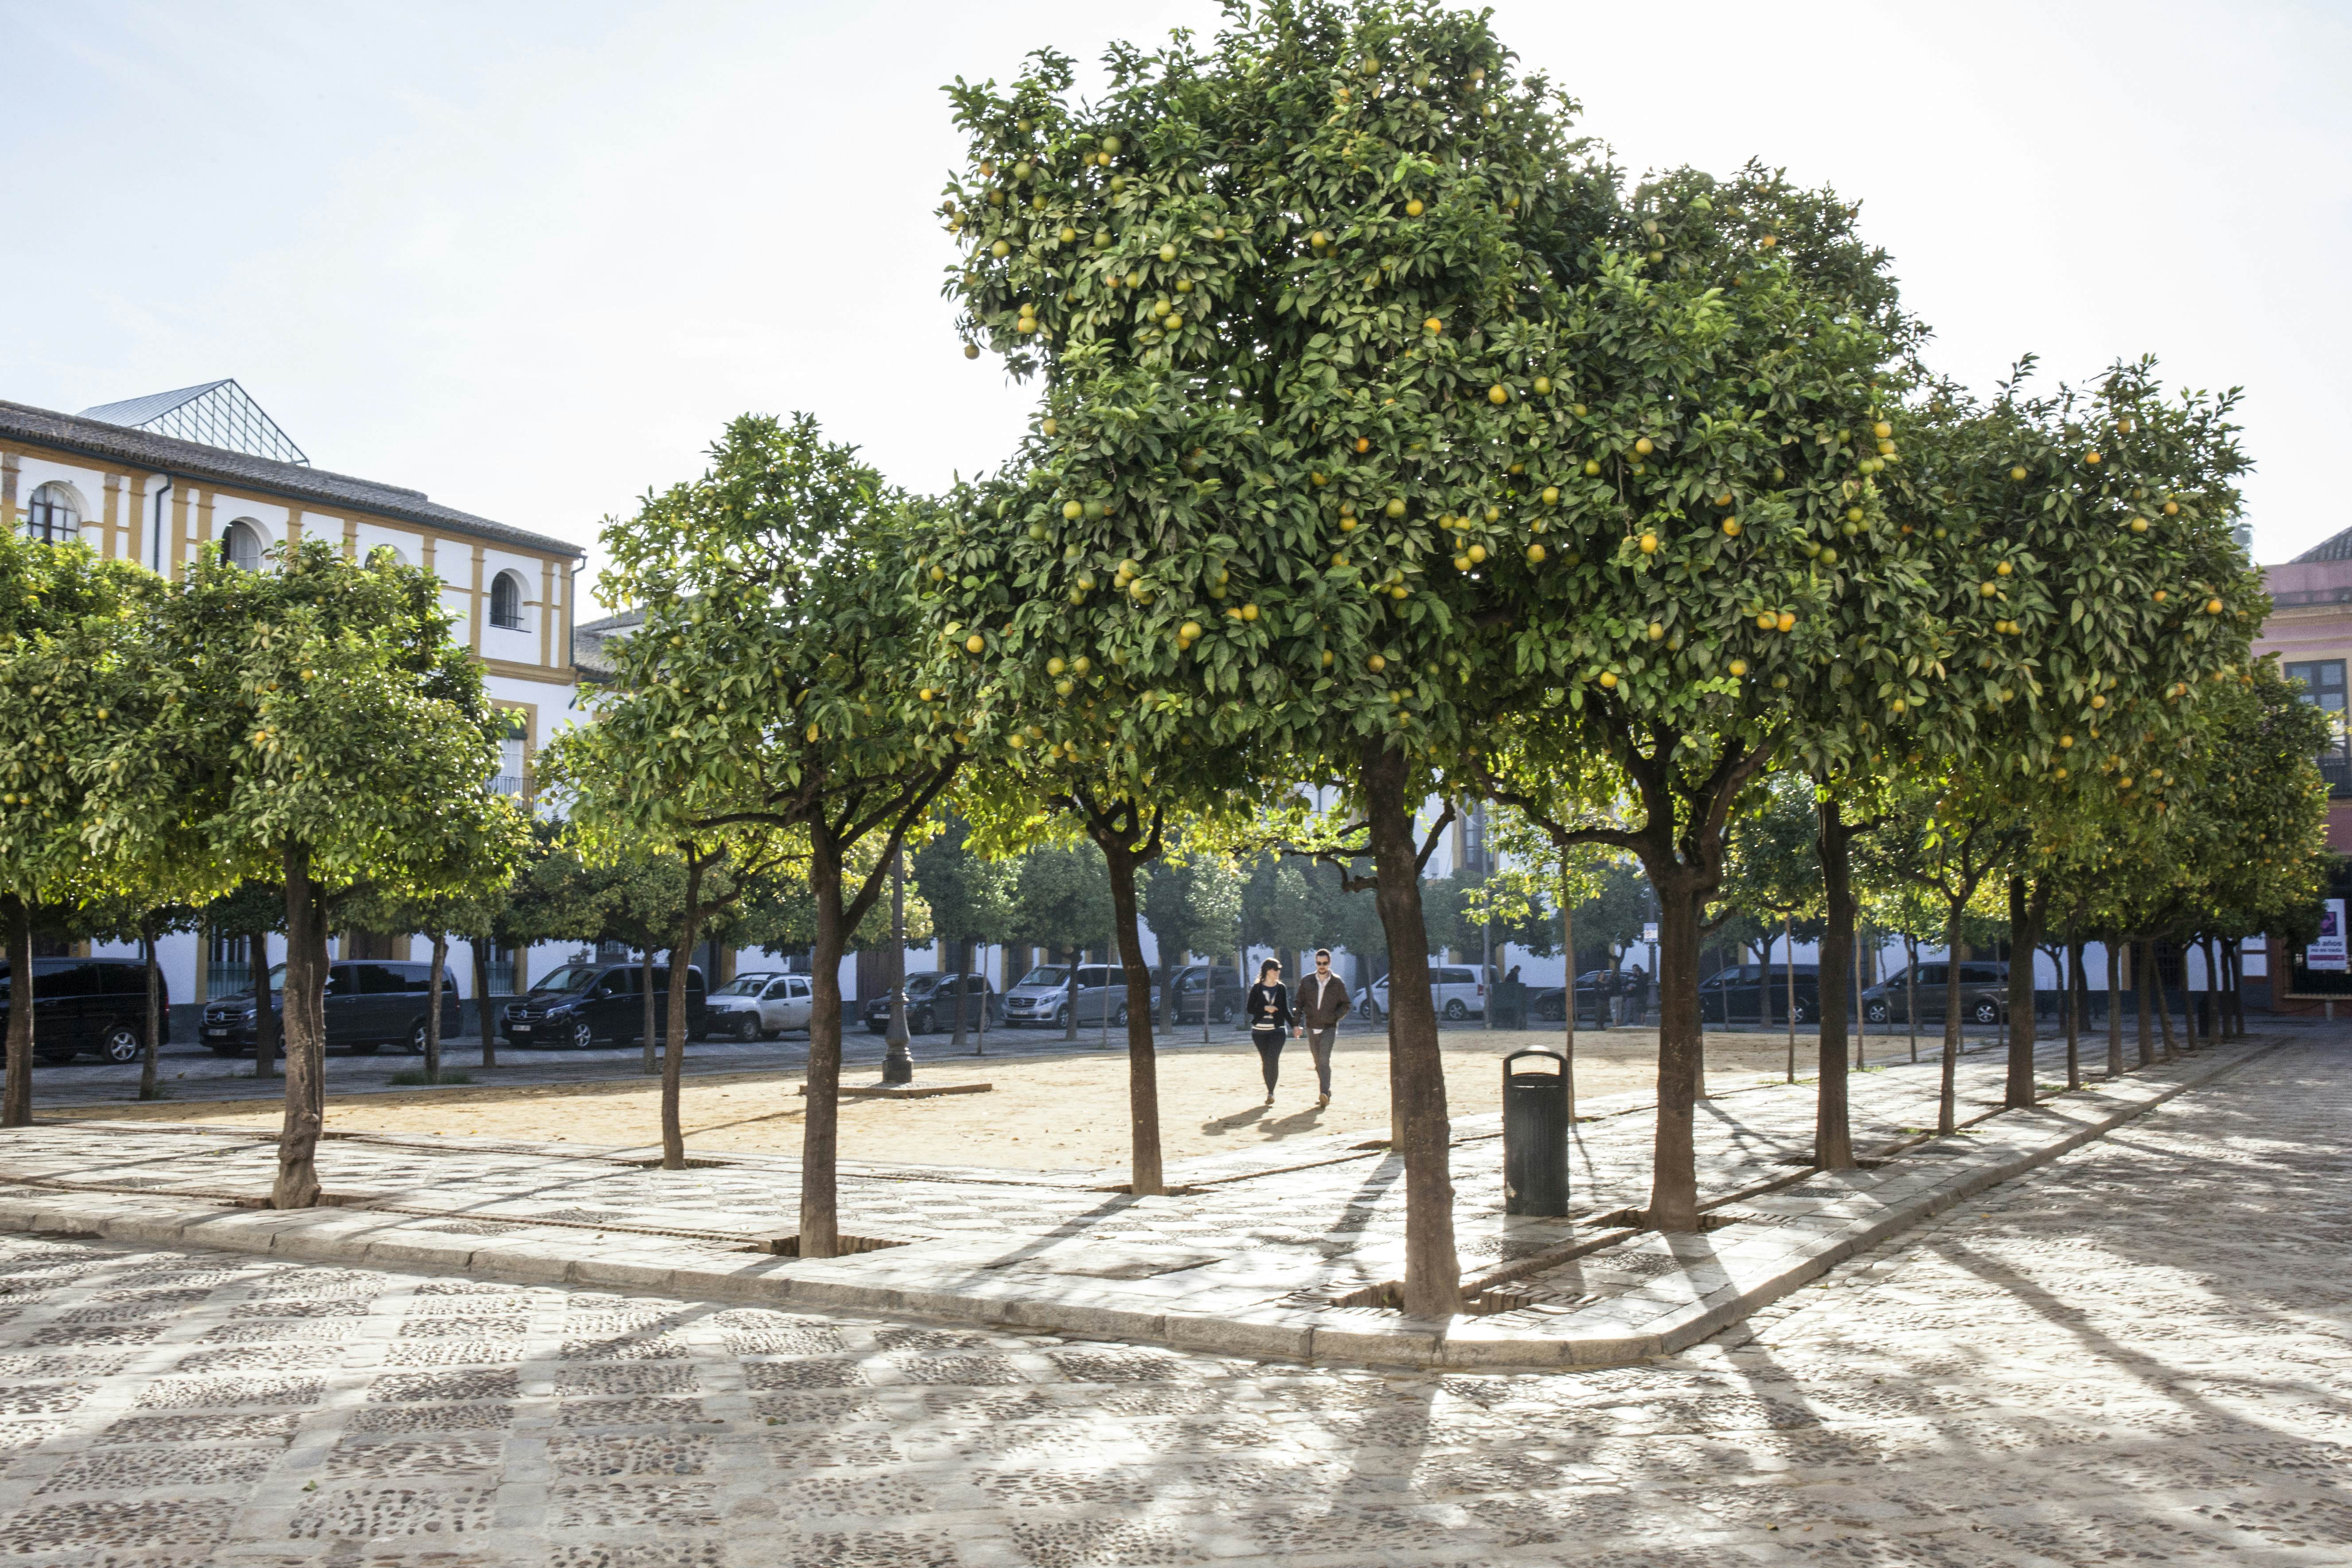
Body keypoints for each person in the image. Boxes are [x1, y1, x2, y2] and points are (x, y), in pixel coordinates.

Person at [1294, 947, 1349, 1109]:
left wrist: (1334, 1017)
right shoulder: (1307, 981)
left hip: (1329, 1027)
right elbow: (1299, 1004)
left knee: (1324, 1059)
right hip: (1312, 1026)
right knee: (1318, 1062)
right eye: (1319, 963)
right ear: (1316, 963)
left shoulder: (1337, 982)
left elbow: (1346, 1004)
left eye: (1325, 963)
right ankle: (1326, 1092)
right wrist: (1296, 1023)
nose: (1322, 966)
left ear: (1329, 963)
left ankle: (1323, 1093)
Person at [1246, 959, 1298, 1105]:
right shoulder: (1257, 988)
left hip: (1278, 1030)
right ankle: (1269, 1090)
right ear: (1268, 971)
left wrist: (1295, 1026)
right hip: (1259, 1032)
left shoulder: (1281, 988)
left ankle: (1271, 1092)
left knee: (1273, 1059)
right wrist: (1265, 1008)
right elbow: (1250, 1009)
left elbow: (1285, 1010)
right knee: (1266, 1061)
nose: (1278, 972)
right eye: (1276, 969)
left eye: (1279, 969)